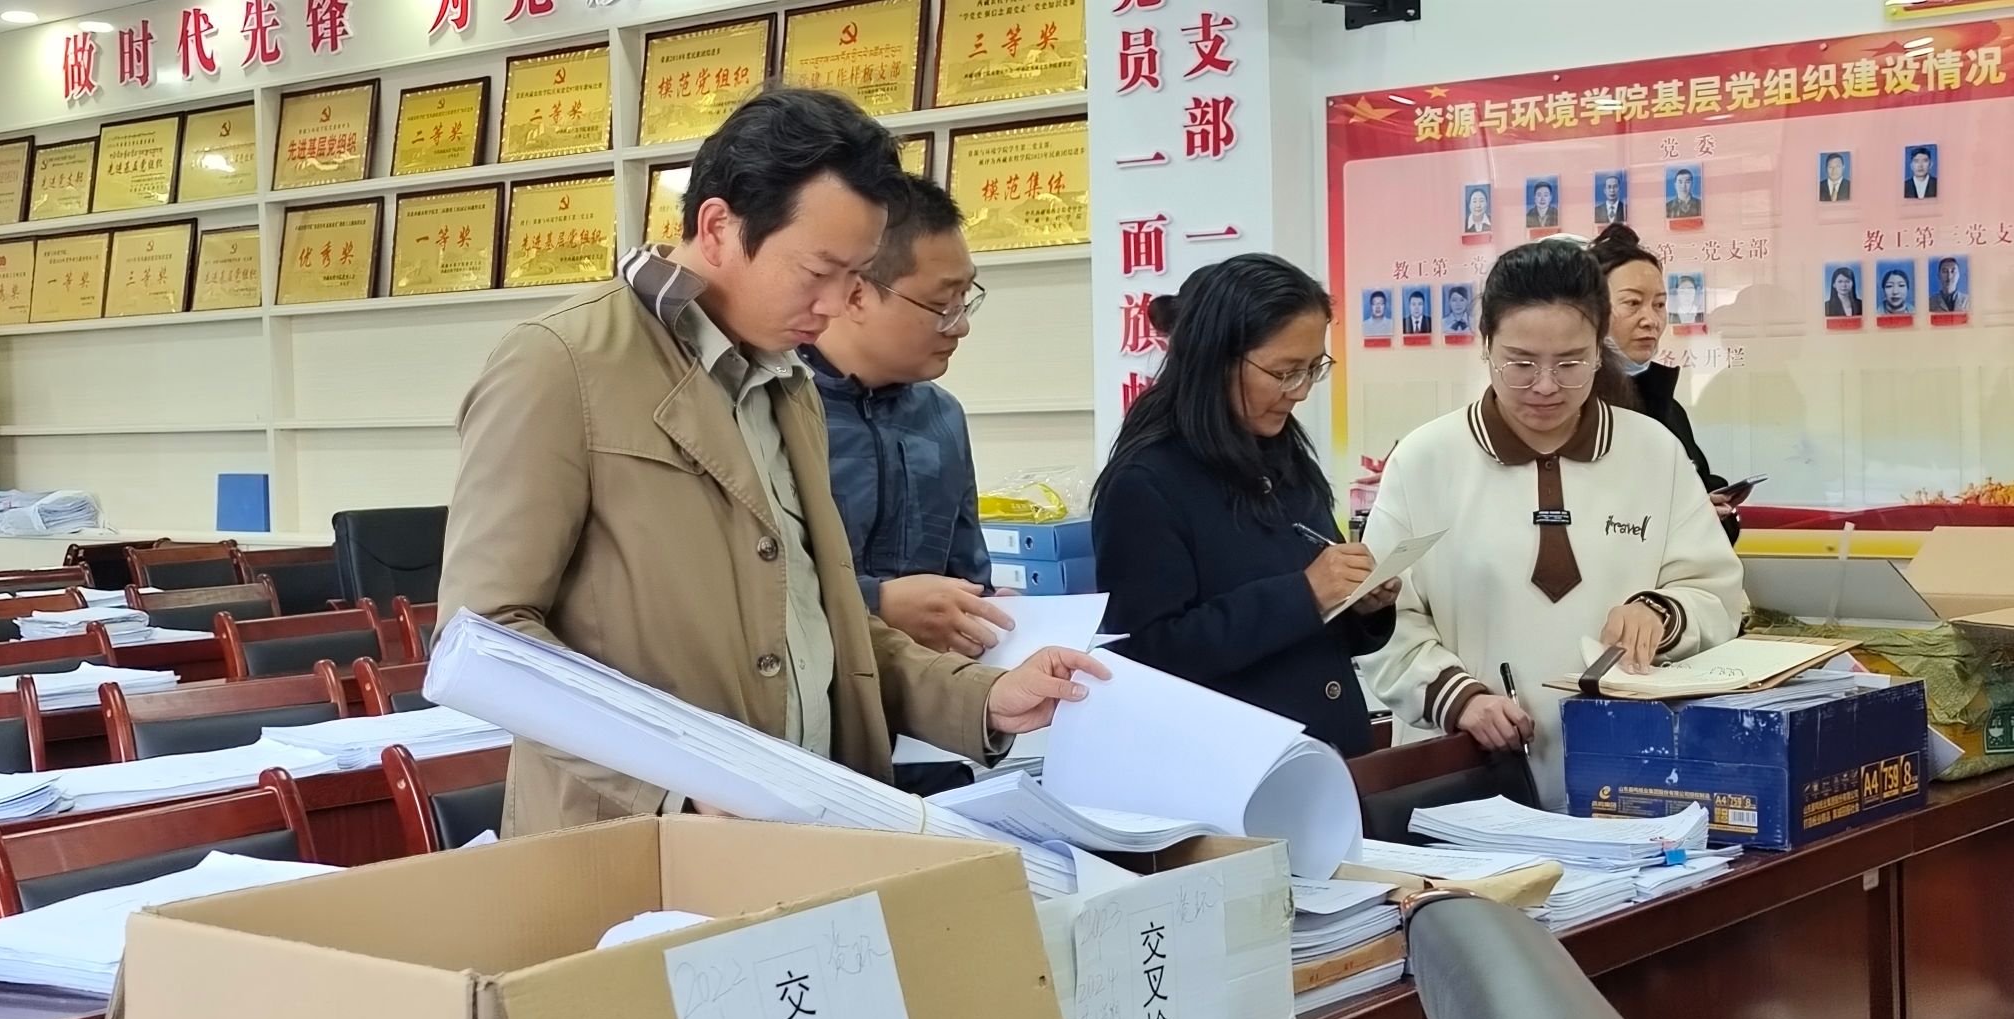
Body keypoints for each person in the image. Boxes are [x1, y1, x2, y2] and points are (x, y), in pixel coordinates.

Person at [439, 89, 1105, 835]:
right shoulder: (561, 363)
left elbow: (823, 624)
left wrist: (980, 696)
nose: (837, 303)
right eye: (818, 270)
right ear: (718, 227)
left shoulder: (788, 385)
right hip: (641, 840)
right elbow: (485, 636)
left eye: (857, 275)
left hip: (806, 824)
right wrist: (675, 785)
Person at [1356, 238, 1745, 807]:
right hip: (1469, 779)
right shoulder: (1426, 460)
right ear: (1485, 347)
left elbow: (1717, 594)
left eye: (1570, 363)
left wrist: (1659, 613)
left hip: (1631, 773)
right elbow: (1384, 620)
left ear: (1600, 350)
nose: (1545, 385)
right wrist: (1459, 699)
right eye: (1520, 363)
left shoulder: (1653, 452)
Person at [1093, 254, 1396, 758]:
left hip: (1327, 757)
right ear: (1215, 358)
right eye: (1284, 372)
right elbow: (1147, 653)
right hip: (1232, 767)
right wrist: (1305, 594)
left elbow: (1318, 625)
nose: (1301, 391)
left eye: (1312, 369)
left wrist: (1360, 602)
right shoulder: (1147, 482)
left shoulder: (1283, 452)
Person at [804, 174, 1001, 795]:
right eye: (943, 303)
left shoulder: (941, 417)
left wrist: (983, 610)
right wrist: (877, 603)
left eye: (966, 299)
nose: (959, 326)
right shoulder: (775, 408)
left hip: (927, 736)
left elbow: (967, 568)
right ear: (858, 292)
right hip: (807, 740)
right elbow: (743, 589)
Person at [1589, 225, 1739, 543]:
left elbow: (1696, 492)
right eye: (1632, 303)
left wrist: (1712, 510)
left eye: (1659, 304)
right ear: (1590, 311)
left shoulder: (1667, 406)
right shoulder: (1571, 409)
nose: (1651, 320)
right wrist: (1685, 518)